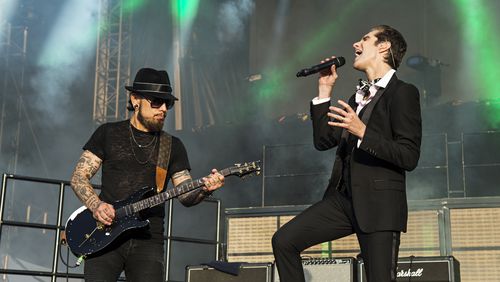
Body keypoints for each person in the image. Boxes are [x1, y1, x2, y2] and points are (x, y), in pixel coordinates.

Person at [272, 25, 422, 282]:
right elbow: (323, 141)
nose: (355, 44)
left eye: (365, 39)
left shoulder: (403, 92)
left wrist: (363, 132)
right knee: (284, 241)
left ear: (384, 46)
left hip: (379, 205)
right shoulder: (357, 97)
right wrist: (324, 91)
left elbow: (409, 156)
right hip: (343, 200)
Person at [70, 67, 225, 281]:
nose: (163, 109)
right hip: (105, 231)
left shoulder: (172, 145)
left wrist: (205, 190)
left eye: (167, 103)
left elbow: (185, 195)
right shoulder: (108, 133)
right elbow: (78, 177)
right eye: (155, 101)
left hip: (148, 239)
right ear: (135, 100)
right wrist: (96, 205)